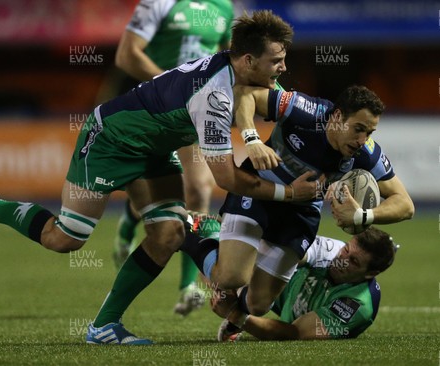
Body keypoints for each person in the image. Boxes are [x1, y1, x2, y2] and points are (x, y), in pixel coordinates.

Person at [0, 10, 317, 345]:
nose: (283, 67)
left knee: (169, 233)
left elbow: (292, 110)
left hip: (153, 149)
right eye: (277, 60)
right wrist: (289, 193)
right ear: (249, 60)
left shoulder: (248, 76)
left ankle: (104, 325)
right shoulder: (214, 96)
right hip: (112, 140)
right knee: (65, 238)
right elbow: (227, 180)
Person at [180, 84, 414, 325]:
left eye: (370, 132)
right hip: (261, 190)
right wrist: (252, 139)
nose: (362, 140)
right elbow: (247, 95)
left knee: (258, 305)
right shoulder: (307, 111)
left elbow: (405, 205)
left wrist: (363, 216)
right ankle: (190, 231)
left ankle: (231, 292)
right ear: (336, 117)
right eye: (358, 129)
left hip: (301, 212)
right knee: (230, 277)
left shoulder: (365, 153)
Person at [110, 0, 236, 317]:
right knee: (155, 181)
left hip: (194, 112)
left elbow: (231, 60)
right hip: (152, 108)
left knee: (198, 189)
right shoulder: (158, 3)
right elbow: (127, 55)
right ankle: (129, 222)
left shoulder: (224, 7)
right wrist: (170, 86)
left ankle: (187, 286)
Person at [211, 227, 398, 341]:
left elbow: (295, 332)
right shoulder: (331, 250)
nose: (342, 259)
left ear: (371, 274)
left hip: (289, 310)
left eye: (354, 261)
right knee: (227, 264)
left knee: (227, 280)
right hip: (281, 289)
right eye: (346, 249)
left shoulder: (357, 304)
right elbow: (281, 249)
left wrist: (236, 316)